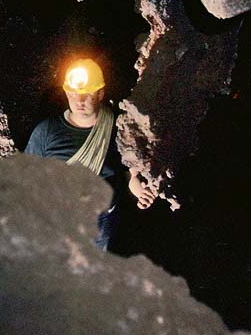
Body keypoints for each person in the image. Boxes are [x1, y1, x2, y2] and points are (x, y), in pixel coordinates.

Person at [25, 57, 157, 250]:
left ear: (100, 93)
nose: (79, 101)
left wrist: (137, 189)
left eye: (86, 94)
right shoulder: (46, 132)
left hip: (99, 221)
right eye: (73, 94)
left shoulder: (118, 129)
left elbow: (128, 170)